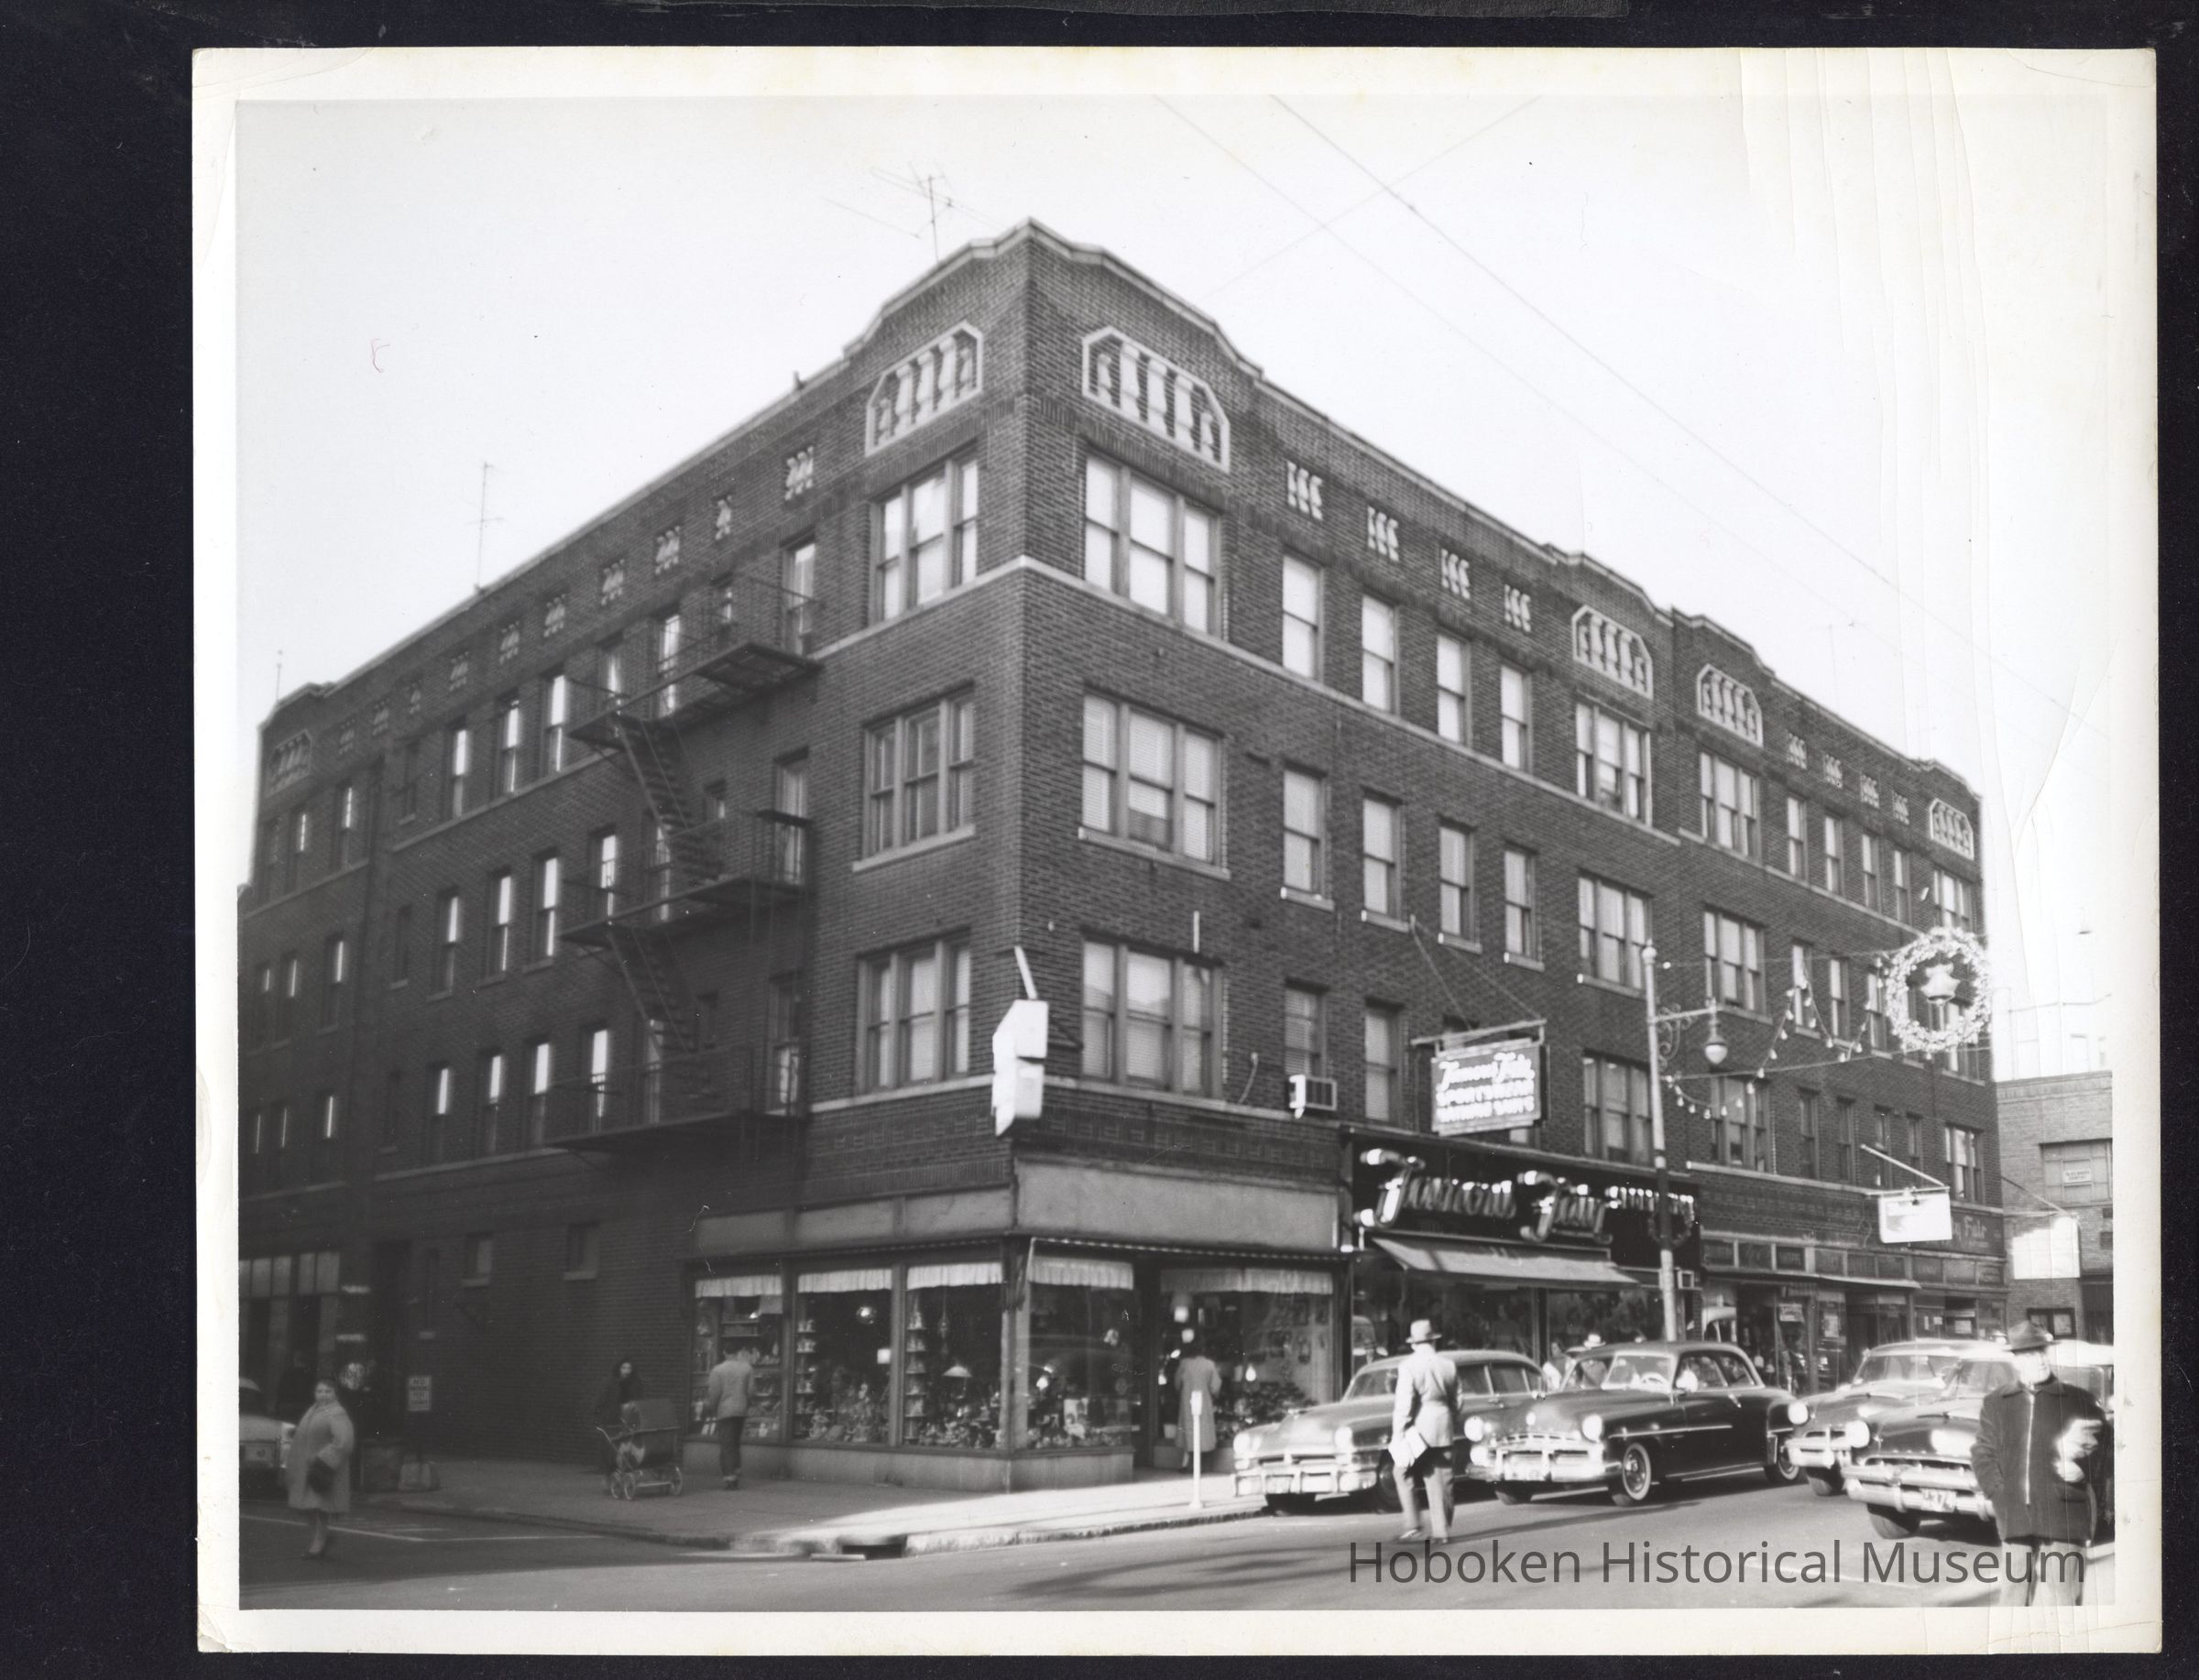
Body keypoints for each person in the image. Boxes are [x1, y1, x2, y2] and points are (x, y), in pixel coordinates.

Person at [1971, 1322, 2107, 1607]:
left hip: (2064, 1515)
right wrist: (1999, 1492)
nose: (2041, 1359)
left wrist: (2084, 1468)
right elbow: (1983, 1453)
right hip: (2015, 1515)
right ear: (2016, 1361)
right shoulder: (1996, 1403)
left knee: (2064, 1602)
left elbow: (2106, 1449)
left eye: (2043, 1352)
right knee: (2013, 1600)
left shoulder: (2077, 1400)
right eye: (2031, 1354)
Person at [1390, 1319, 1461, 1544]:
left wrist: (1398, 1433)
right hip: (1443, 1425)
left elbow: (1404, 1404)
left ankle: (1413, 1526)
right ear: (1433, 1341)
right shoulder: (1448, 1365)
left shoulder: (1408, 1366)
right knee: (1441, 1478)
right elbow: (1458, 1400)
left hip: (1418, 1430)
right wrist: (1449, 1417)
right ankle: (1442, 1531)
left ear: (1413, 1344)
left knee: (1401, 1472)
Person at [285, 1378, 355, 1559]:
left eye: (328, 1391)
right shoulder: (313, 1411)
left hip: (322, 1469)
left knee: (320, 1507)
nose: (323, 1395)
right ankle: (321, 1538)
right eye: (320, 1391)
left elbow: (344, 1441)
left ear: (335, 1394)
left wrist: (324, 1459)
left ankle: (318, 1544)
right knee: (308, 1507)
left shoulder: (336, 1412)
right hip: (306, 1468)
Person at [703, 1339, 756, 1489]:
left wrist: (713, 1409)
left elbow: (714, 1394)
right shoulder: (747, 1368)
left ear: (724, 1353)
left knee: (726, 1444)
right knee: (736, 1442)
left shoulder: (717, 1370)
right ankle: (736, 1469)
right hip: (741, 1409)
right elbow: (751, 1391)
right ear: (738, 1352)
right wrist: (746, 1404)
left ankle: (730, 1478)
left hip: (725, 1410)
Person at [1174, 1337, 1221, 1475]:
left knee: (1188, 1433)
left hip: (1187, 1403)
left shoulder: (1184, 1364)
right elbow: (1215, 1386)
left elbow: (1177, 1383)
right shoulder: (1209, 1365)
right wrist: (1213, 1395)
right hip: (1204, 1403)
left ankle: (1186, 1463)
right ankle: (1200, 1465)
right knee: (1203, 1432)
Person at [593, 1358, 644, 1482]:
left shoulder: (635, 1384)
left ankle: (623, 1472)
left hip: (628, 1419)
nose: (626, 1371)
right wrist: (596, 1413)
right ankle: (609, 1476)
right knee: (611, 1447)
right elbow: (601, 1399)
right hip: (611, 1420)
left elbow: (639, 1400)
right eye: (624, 1368)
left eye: (629, 1368)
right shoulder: (610, 1383)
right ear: (619, 1369)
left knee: (625, 1447)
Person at [275, 1349, 317, 1424]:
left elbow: (280, 1392)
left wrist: (277, 1409)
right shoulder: (310, 1376)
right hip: (303, 1409)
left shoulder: (287, 1374)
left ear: (295, 1360)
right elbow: (313, 1393)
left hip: (287, 1408)